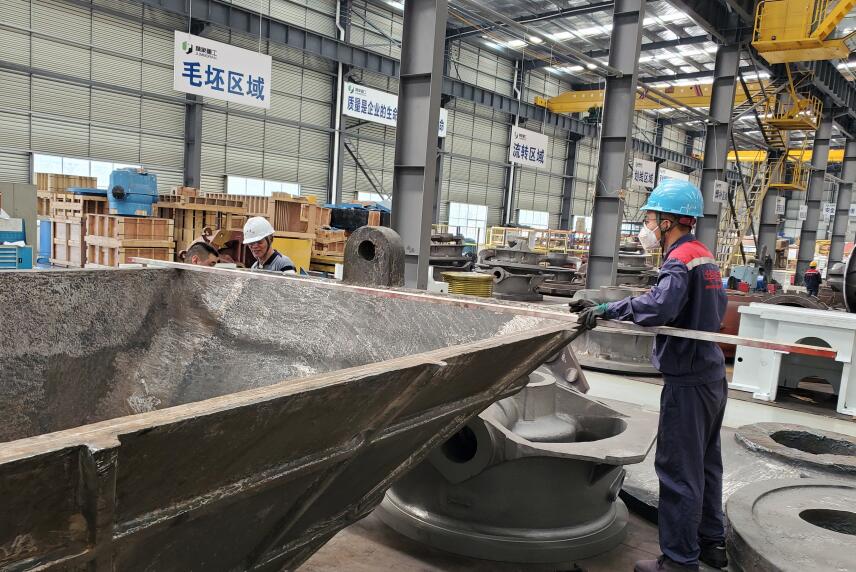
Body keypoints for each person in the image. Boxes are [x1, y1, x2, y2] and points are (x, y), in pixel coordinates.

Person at [572, 180, 728, 572]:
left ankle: (678, 561)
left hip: (687, 380)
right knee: (706, 464)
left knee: (678, 471)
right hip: (711, 374)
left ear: (669, 221)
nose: (648, 225)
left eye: (652, 218)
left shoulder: (679, 260)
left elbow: (659, 306)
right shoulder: (704, 256)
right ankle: (711, 543)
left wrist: (607, 309)